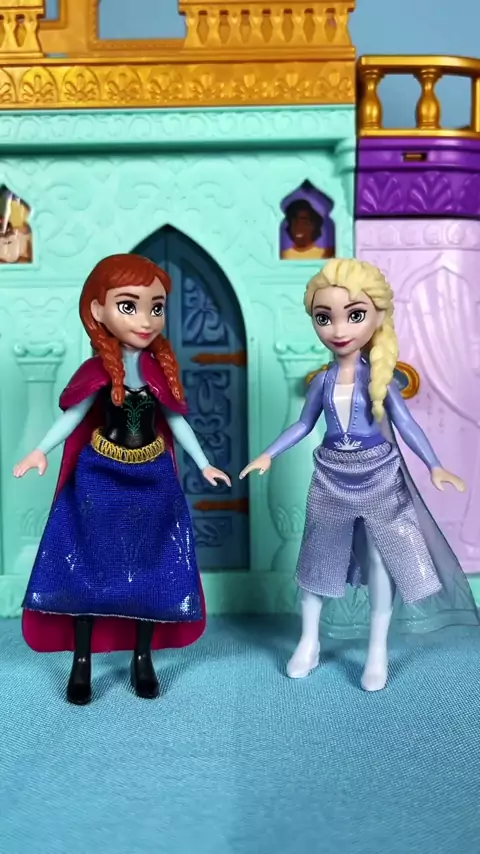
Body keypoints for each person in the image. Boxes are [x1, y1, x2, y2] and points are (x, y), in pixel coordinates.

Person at [240, 258, 479, 691]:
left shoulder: (380, 380)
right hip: (331, 476)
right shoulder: (322, 382)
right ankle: (309, 641)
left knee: (381, 558)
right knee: (317, 557)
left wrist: (435, 465)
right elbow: (303, 424)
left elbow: (406, 426)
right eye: (324, 317)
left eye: (354, 315)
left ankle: (377, 651)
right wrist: (268, 454)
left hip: (379, 476)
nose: (338, 329)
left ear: (377, 317)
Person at [14, 253, 231, 705]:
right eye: (129, 306)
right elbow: (73, 417)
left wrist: (203, 462)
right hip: (100, 475)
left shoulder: (157, 370)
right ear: (98, 310)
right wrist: (39, 450)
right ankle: (81, 661)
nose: (146, 319)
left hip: (152, 476)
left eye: (156, 307)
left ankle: (142, 657)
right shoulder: (95, 371)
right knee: (89, 564)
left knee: (150, 564)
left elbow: (177, 421)